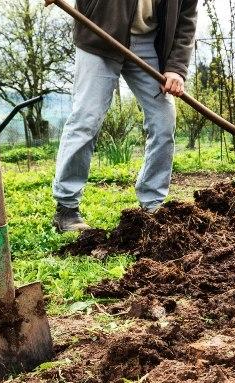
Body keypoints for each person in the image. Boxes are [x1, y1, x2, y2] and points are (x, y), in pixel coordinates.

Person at [52, 0, 198, 232]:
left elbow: (186, 18)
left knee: (163, 120)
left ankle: (152, 205)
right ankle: (66, 207)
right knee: (86, 119)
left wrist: (176, 67)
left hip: (150, 42)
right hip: (99, 34)